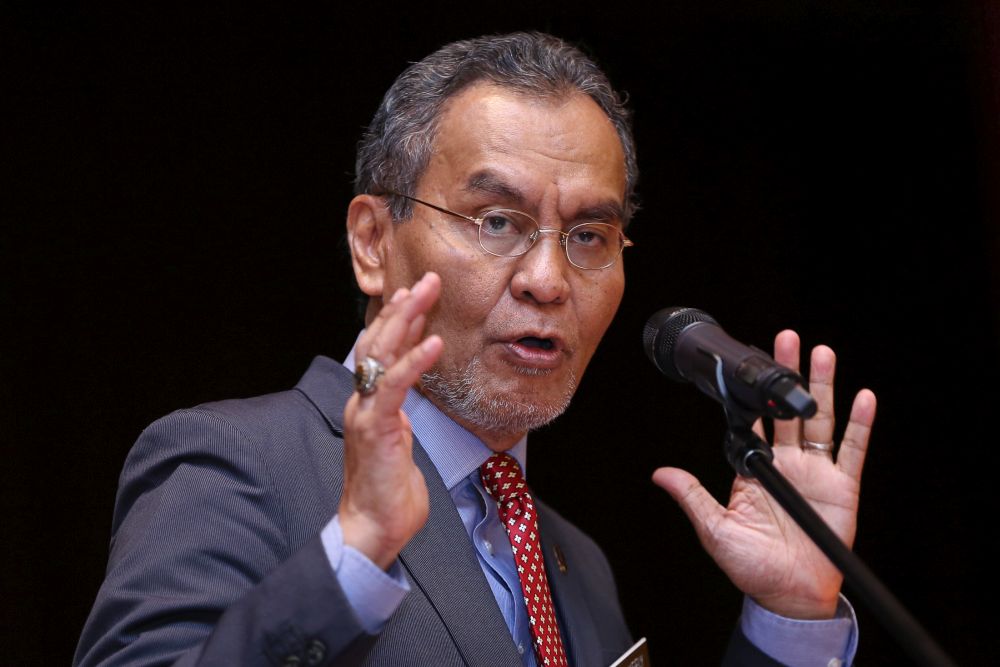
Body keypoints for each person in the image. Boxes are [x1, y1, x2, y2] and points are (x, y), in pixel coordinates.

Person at [74, 32, 877, 666]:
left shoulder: (574, 561)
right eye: (497, 221)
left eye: (590, 235)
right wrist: (353, 557)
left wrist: (790, 618)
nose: (547, 278)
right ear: (371, 242)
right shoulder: (235, 462)